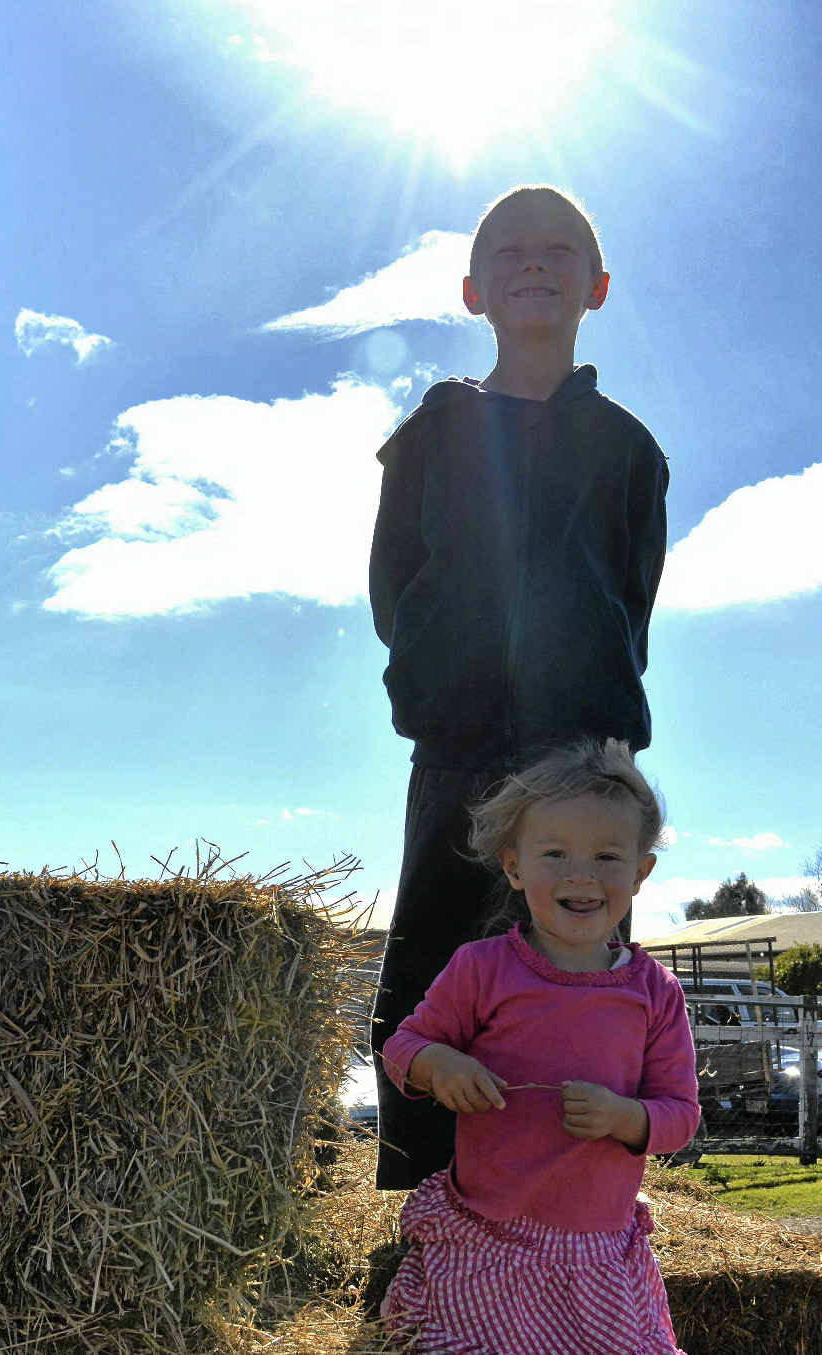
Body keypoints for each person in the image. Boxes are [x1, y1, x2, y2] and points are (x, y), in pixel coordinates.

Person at [369, 184, 671, 1187]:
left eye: (556, 250)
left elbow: (632, 595)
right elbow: (392, 584)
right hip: (454, 747)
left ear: (596, 285)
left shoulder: (626, 448)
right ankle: (422, 1221)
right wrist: (435, 680)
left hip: (578, 764)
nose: (531, 262)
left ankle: (573, 1215)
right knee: (431, 973)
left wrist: (591, 712)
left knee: (579, 985)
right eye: (507, 249)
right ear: (469, 289)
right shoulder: (429, 436)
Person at [380, 739, 699, 1355]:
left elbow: (680, 1116)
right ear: (514, 866)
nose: (581, 874)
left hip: (596, 1256)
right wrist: (437, 1063)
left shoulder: (655, 992)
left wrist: (625, 1118)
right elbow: (404, 1044)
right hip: (486, 1241)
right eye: (555, 854)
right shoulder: (482, 969)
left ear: (640, 871)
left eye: (607, 856)